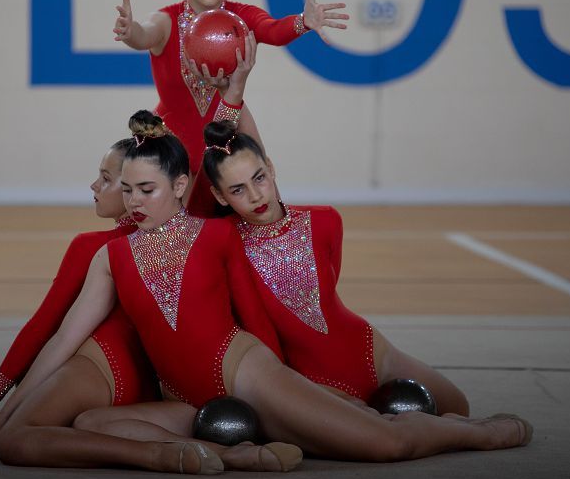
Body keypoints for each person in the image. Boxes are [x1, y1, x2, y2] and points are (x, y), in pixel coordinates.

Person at [9, 111, 532, 464]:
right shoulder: (111, 256)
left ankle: (482, 433)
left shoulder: (215, 232)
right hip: (186, 399)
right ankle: (240, 454)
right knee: (93, 422)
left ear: (181, 188)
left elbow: (255, 315)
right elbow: (61, 339)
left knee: (383, 443)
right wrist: (8, 412)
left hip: (248, 374)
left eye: (147, 189)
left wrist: (302, 390)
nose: (136, 202)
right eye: (127, 191)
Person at [201, 119, 470, 415]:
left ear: (271, 166)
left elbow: (327, 295)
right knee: (378, 432)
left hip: (369, 350)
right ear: (219, 196)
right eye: (237, 190)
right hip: (307, 377)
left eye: (259, 178)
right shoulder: (225, 241)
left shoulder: (326, 221)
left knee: (458, 407)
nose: (255, 196)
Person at [0, 139, 157, 445]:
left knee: (14, 436)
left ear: (131, 189)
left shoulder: (92, 246)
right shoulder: (179, 236)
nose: (94, 185)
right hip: (149, 390)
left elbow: (43, 328)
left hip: (101, 371)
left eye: (107, 180)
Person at [111, 0, 348, 214]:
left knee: (264, 205)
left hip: (231, 125)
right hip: (174, 132)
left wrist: (303, 21)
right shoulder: (167, 20)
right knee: (181, 224)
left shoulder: (242, 16)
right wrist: (130, 32)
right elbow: (145, 35)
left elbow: (272, 30)